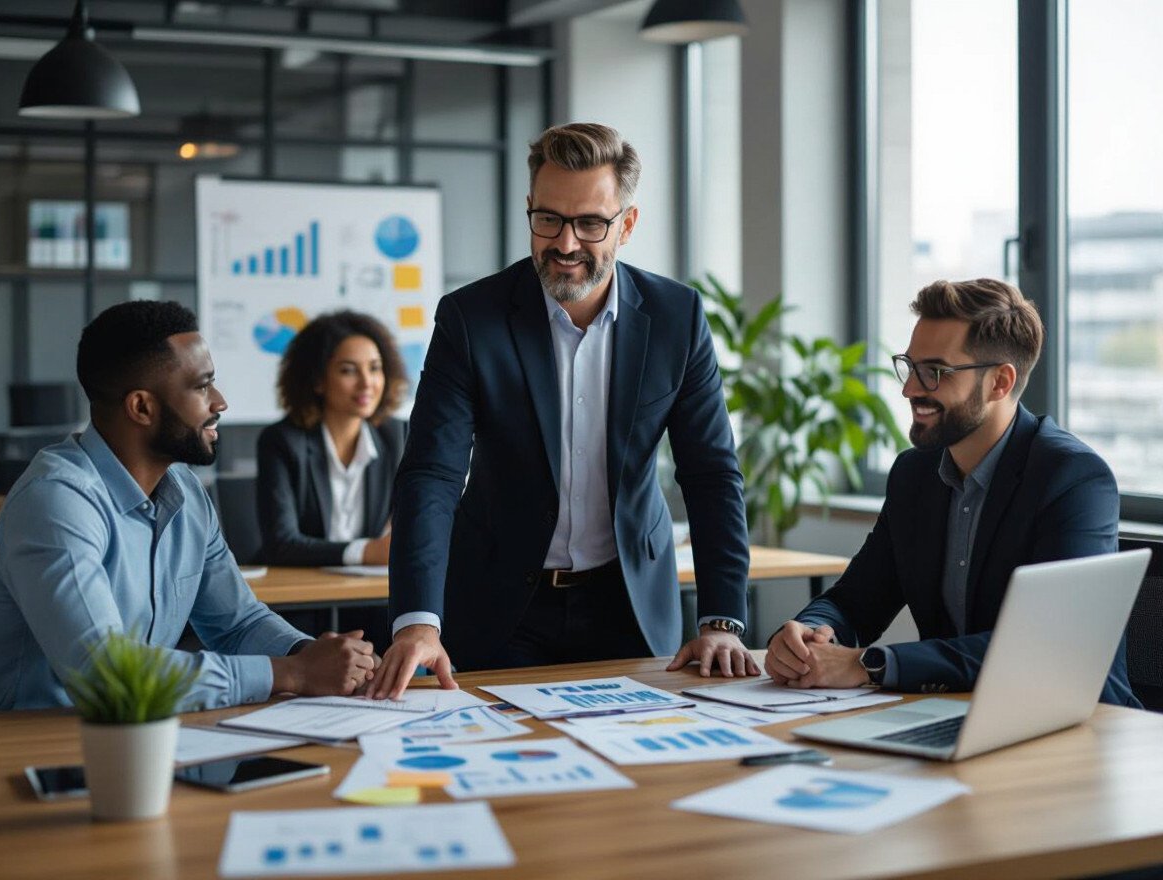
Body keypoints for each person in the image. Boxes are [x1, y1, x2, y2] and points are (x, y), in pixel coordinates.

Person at [371, 121, 759, 699]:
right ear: (529, 209)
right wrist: (419, 621)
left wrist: (723, 620)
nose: (566, 243)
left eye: (590, 223)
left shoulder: (677, 317)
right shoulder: (471, 319)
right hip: (501, 604)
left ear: (626, 224)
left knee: (639, 775)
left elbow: (710, 473)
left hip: (628, 599)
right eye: (548, 218)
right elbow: (433, 472)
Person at [764, 278, 1139, 706]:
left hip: (1074, 726)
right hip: (955, 712)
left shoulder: (1072, 478)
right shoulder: (913, 475)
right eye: (909, 365)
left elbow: (1048, 648)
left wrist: (868, 663)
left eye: (935, 372)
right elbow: (855, 601)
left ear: (1000, 382)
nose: (909, 388)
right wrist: (807, 634)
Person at [0, 300, 377, 711]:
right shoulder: (56, 501)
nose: (220, 402)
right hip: (42, 747)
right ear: (142, 407)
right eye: (201, 386)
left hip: (145, 732)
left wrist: (317, 657)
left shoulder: (185, 491)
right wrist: (293, 674)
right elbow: (107, 674)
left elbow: (237, 623)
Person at [256, 310, 408, 568]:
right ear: (317, 381)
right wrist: (366, 552)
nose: (367, 383)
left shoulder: (397, 436)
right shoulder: (281, 441)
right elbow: (281, 544)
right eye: (348, 371)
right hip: (302, 595)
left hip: (368, 595)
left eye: (374, 368)